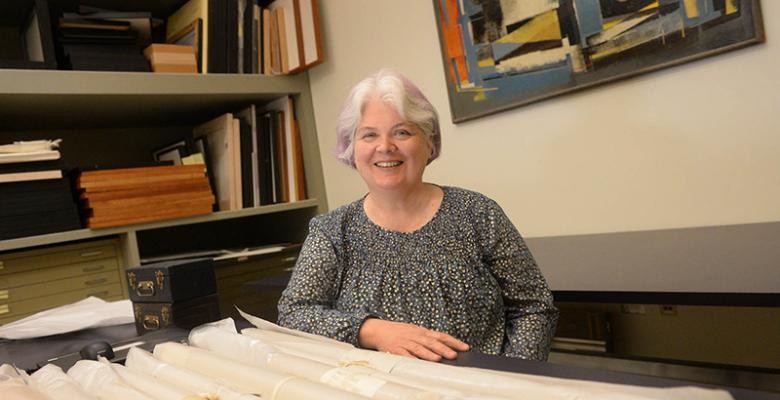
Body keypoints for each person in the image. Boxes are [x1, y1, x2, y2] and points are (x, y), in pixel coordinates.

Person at [277, 69, 557, 362]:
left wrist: (509, 383)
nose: (385, 146)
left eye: (402, 132)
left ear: (429, 142)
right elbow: (294, 313)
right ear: (351, 149)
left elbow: (533, 307)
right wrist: (372, 331)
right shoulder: (332, 231)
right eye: (369, 134)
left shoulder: (478, 213)